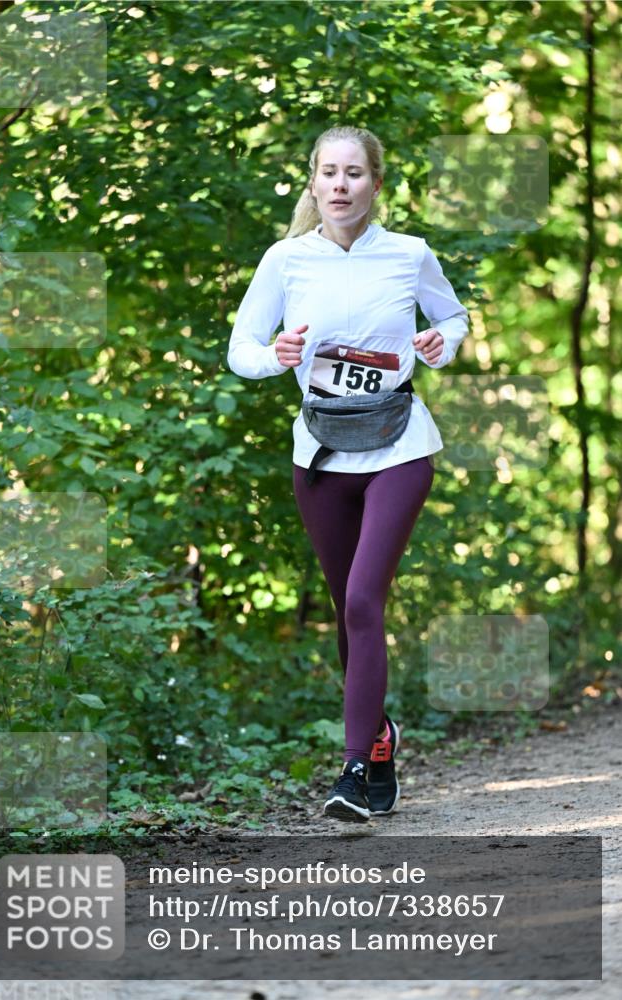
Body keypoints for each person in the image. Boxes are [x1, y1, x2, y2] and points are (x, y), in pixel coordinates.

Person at [227, 125, 469, 823]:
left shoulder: (407, 254)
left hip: (399, 446)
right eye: (328, 173)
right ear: (312, 182)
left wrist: (438, 342)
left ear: (375, 183)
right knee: (346, 613)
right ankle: (382, 736)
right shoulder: (286, 260)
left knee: (364, 601)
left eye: (354, 173)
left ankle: (355, 770)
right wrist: (274, 355)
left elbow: (452, 319)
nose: (340, 185)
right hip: (320, 454)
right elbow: (240, 347)